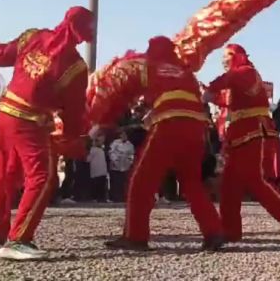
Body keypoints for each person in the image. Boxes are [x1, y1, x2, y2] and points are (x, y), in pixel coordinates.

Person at [0, 6, 94, 260]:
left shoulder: (32, 36)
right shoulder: (76, 67)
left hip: (5, 114)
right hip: (30, 122)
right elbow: (74, 112)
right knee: (42, 178)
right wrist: (73, 137)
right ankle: (19, 239)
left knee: (5, 174)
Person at [104, 36, 223, 252]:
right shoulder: (187, 73)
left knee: (141, 181)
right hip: (197, 128)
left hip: (168, 125)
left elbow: (124, 91)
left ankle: (135, 236)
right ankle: (213, 232)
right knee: (192, 183)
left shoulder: (149, 66)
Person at [203, 44, 280, 243]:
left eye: (227, 56)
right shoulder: (238, 79)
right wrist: (207, 92)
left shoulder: (246, 72)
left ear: (237, 56)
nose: (223, 60)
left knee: (254, 182)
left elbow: (228, 81)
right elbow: (226, 99)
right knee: (230, 185)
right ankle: (230, 231)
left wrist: (211, 88)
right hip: (240, 134)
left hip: (252, 132)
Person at [108, 130, 134, 202]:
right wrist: (115, 160)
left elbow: (131, 155)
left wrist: (129, 163)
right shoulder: (115, 143)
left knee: (123, 183)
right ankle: (114, 198)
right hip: (115, 166)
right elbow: (111, 152)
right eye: (122, 135)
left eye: (125, 135)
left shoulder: (130, 145)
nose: (124, 136)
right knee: (116, 183)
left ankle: (123, 198)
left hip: (125, 166)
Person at [88, 133, 108, 203]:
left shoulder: (102, 149)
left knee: (101, 185)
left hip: (102, 171)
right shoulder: (93, 150)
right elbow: (88, 159)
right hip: (96, 171)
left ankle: (102, 198)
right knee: (96, 185)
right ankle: (95, 198)